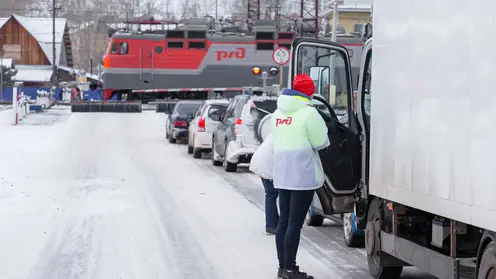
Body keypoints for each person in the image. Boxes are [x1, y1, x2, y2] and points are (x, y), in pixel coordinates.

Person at [272, 73, 329, 279]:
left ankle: (282, 268)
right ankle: (289, 270)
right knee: (295, 222)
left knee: (284, 221)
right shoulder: (309, 113)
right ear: (309, 92)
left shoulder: (278, 113)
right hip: (302, 175)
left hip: (282, 173)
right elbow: (320, 142)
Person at [249, 133, 279, 235]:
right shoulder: (285, 136)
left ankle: (274, 222)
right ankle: (271, 225)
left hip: (262, 161)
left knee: (271, 195)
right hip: (267, 165)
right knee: (271, 194)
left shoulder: (279, 129)